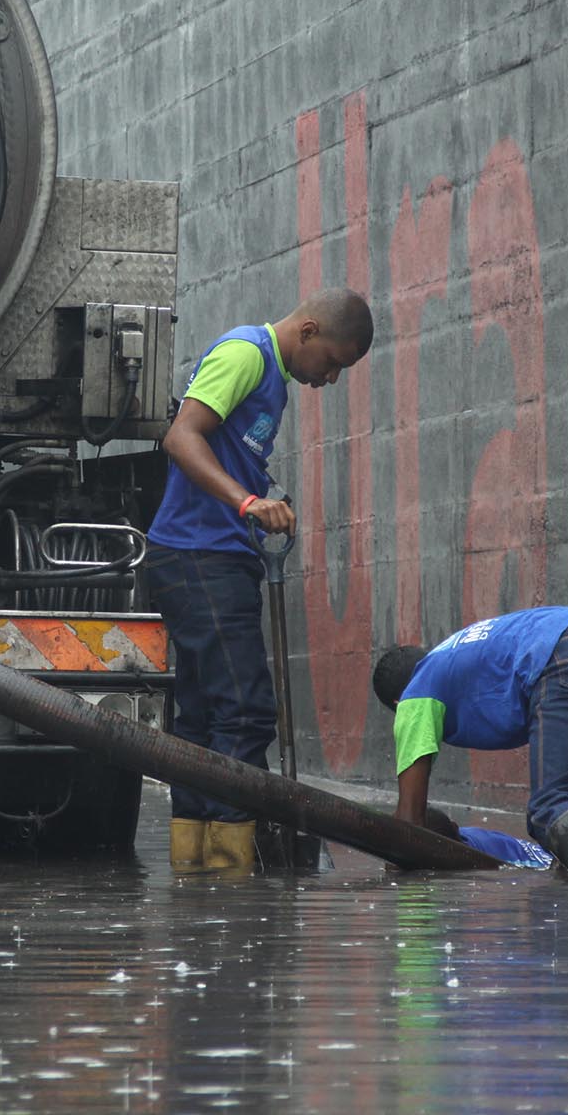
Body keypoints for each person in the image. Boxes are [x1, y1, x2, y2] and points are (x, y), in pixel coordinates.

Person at [145, 289, 374, 871]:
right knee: (246, 710)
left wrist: (254, 496)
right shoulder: (247, 353)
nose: (330, 380)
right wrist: (247, 502)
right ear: (309, 330)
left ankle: (195, 868)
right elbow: (181, 438)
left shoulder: (275, 378)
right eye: (333, 363)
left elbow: (223, 452)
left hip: (211, 556)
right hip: (199, 557)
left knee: (201, 717)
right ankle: (233, 872)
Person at [372, 603, 568, 882]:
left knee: (552, 803)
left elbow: (408, 828)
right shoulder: (453, 656)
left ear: (399, 704)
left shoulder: (416, 693)